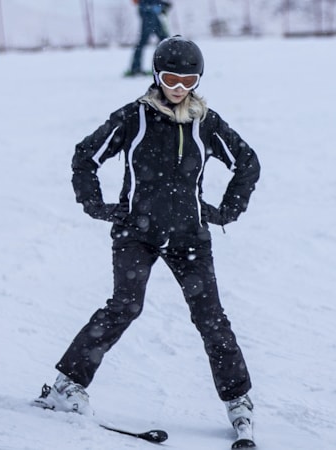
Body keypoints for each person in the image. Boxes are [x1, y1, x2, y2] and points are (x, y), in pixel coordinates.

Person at [35, 36, 260, 441]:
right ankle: (67, 386)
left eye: (188, 79)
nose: (178, 87)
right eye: (171, 77)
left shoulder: (205, 122)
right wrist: (95, 205)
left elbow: (247, 163)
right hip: (136, 233)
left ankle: (239, 401)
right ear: (157, 75)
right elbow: (85, 156)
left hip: (189, 236)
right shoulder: (133, 118)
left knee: (211, 319)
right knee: (125, 305)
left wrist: (226, 211)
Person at [126, 0, 171, 76]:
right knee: (144, 41)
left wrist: (162, 5)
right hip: (148, 13)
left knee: (164, 40)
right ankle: (136, 68)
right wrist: (159, 6)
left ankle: (166, 66)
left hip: (151, 13)